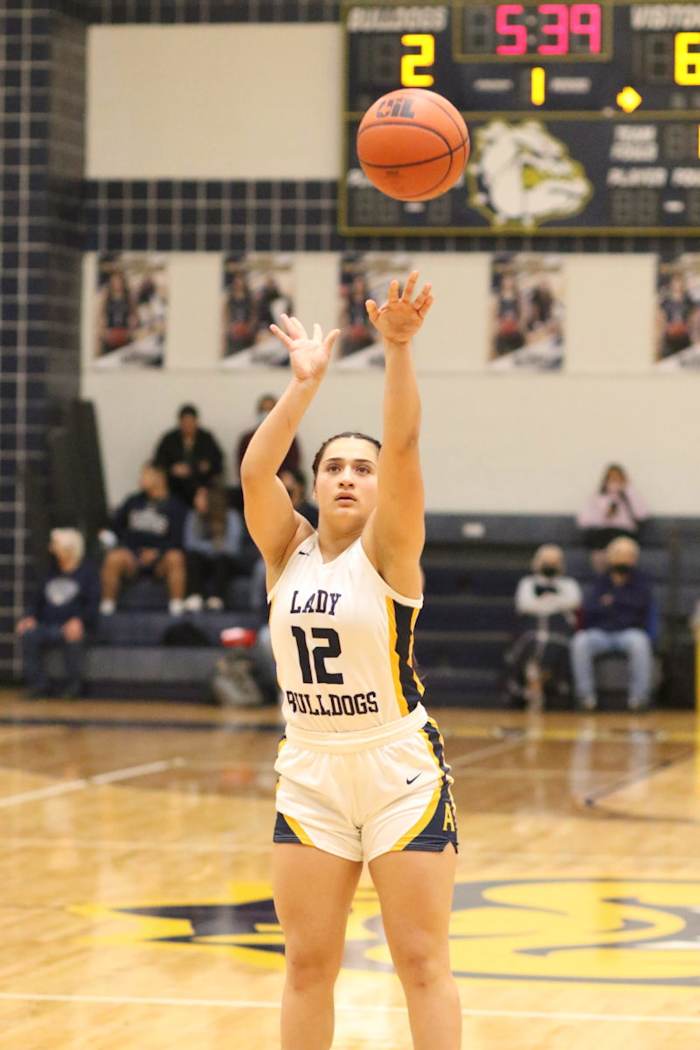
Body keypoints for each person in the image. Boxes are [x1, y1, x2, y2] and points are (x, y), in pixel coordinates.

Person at [240, 272, 461, 1050]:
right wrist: (303, 387)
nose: (346, 477)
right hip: (311, 771)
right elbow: (254, 473)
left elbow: (401, 442)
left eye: (360, 470)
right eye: (333, 466)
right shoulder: (286, 549)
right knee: (306, 964)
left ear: (378, 490)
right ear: (316, 482)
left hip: (397, 768)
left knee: (421, 960)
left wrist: (397, 350)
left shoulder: (393, 550)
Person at [571, 536, 657, 712]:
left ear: (634, 559)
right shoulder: (600, 581)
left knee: (640, 642)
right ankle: (586, 698)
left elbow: (640, 606)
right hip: (601, 633)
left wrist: (613, 601)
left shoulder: (642, 582)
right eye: (619, 554)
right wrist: (620, 604)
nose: (623, 559)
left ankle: (639, 699)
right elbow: (590, 608)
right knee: (580, 642)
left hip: (629, 632)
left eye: (628, 555)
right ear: (610, 557)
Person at [16, 528, 100, 698]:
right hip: (47, 624)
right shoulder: (49, 572)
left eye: (55, 545)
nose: (51, 549)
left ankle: (74, 686)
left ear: (69, 549)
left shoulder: (88, 573)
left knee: (74, 635)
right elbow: (36, 601)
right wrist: (29, 617)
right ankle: (39, 685)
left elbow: (92, 606)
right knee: (28, 633)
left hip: (75, 625)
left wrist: (80, 620)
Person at [100, 463, 187, 616]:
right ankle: (107, 608)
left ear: (159, 478)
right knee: (113, 558)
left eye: (145, 475)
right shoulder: (133, 501)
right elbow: (116, 528)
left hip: (161, 559)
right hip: (133, 556)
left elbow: (178, 539)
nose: (140, 479)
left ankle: (176, 607)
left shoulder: (175, 505)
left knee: (176, 558)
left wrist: (158, 552)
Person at [505, 544, 581, 710]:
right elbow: (525, 605)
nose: (550, 564)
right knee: (534, 640)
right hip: (531, 628)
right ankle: (531, 683)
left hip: (559, 629)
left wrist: (543, 602)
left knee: (552, 642)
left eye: (554, 561)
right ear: (537, 562)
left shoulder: (569, 584)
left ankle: (539, 681)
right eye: (546, 561)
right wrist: (555, 602)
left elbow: (574, 602)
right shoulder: (527, 582)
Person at [183, 485, 244, 611]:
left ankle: (217, 598)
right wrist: (213, 547)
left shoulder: (231, 516)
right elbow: (190, 544)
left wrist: (211, 549)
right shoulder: (193, 516)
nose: (195, 500)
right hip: (202, 559)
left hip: (225, 561)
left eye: (200, 497)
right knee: (193, 558)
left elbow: (232, 548)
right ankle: (195, 596)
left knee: (222, 560)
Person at [577, 463, 649, 570]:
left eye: (618, 478)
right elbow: (583, 522)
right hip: (603, 534)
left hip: (624, 533)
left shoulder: (630, 496)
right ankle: (604, 579)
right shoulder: (597, 498)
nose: (615, 481)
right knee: (599, 546)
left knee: (623, 546)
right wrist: (604, 516)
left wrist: (628, 492)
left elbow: (642, 515)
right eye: (611, 478)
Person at [154, 404, 224, 505]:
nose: (188, 426)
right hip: (175, 486)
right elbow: (159, 463)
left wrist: (207, 466)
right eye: (185, 423)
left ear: (196, 422)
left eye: (191, 422)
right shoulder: (169, 440)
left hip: (202, 485)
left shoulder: (206, 438)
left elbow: (218, 461)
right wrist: (173, 469)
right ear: (180, 423)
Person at [236, 394, 301, 478]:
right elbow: (242, 467)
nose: (266, 413)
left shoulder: (289, 437)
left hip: (281, 482)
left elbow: (293, 464)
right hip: (255, 482)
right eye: (263, 410)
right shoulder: (247, 438)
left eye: (270, 410)